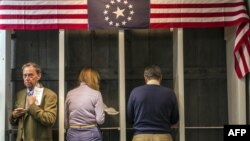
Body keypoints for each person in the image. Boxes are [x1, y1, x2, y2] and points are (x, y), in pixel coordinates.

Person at [127, 65, 179, 141]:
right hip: (163, 136)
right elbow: (174, 119)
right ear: (161, 77)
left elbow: (130, 118)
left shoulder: (135, 92)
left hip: (141, 136)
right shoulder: (170, 93)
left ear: (145, 77)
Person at [9, 62, 58, 141]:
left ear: (38, 76)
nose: (27, 78)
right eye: (25, 75)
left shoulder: (49, 95)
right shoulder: (19, 94)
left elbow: (50, 120)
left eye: (30, 75)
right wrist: (14, 115)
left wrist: (32, 106)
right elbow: (14, 122)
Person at [65, 67, 105, 141]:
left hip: (72, 133)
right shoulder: (96, 94)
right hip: (91, 134)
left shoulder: (70, 94)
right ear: (94, 79)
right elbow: (100, 120)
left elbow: (66, 120)